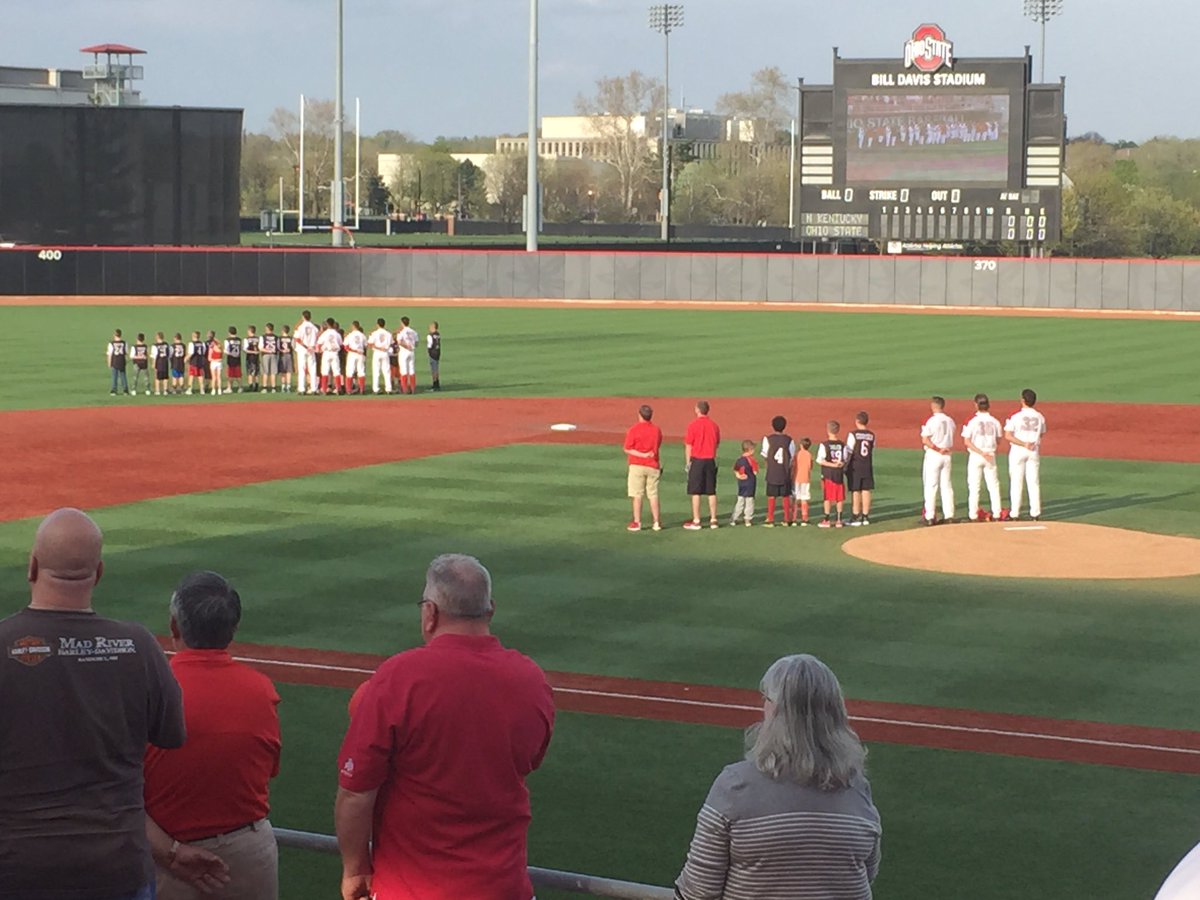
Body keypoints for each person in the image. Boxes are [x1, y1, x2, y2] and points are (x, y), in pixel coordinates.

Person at [0, 508, 227, 899]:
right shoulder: (138, 645)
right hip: (118, 866)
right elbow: (172, 733)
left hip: (19, 869)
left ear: (32, 566)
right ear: (99, 572)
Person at [335, 554, 555, 900]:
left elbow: (356, 793)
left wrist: (355, 869)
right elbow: (529, 761)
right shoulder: (532, 680)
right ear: (490, 610)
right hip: (505, 887)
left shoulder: (398, 678)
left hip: (411, 891)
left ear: (430, 613)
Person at [675, 654, 881, 900]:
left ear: (776, 711)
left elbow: (697, 892)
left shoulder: (735, 786)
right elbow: (867, 872)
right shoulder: (857, 789)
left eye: (767, 699)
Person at [144, 571, 282, 900]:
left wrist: (171, 852)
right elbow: (267, 769)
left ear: (174, 626)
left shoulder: (147, 688)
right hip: (246, 855)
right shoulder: (261, 690)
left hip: (163, 855)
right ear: (233, 628)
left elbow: (118, 789)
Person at [1004, 388, 1047, 521]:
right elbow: (1042, 433)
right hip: (1033, 450)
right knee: (1033, 482)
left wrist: (1023, 443)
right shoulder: (1040, 416)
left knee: (1016, 482)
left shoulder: (1016, 416)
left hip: (1018, 450)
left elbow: (1008, 435)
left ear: (1023, 400)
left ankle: (1015, 513)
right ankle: (1035, 513)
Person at [962, 393, 1004, 522]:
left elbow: (967, 441)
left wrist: (980, 452)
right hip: (990, 455)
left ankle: (973, 515)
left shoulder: (971, 421)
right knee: (993, 486)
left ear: (976, 405)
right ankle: (997, 513)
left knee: (974, 487)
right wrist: (988, 450)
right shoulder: (995, 421)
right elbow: (998, 439)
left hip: (976, 455)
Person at [623, 404, 663, 532]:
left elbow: (627, 448)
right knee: (653, 494)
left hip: (637, 465)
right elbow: (658, 445)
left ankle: (637, 522)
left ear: (640, 415)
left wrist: (642, 455)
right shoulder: (656, 430)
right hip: (653, 465)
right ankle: (656, 522)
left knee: (637, 494)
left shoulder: (634, 429)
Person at [684, 400, 721, 530]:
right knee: (711, 491)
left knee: (696, 492)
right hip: (710, 460)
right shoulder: (714, 426)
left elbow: (689, 445)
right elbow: (717, 443)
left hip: (697, 460)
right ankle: (713, 520)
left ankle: (696, 520)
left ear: (698, 410)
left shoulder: (693, 425)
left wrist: (688, 463)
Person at [920, 396, 956, 525]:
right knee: (946, 486)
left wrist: (937, 448)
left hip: (934, 455)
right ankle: (949, 515)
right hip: (947, 455)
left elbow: (925, 440)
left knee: (931, 486)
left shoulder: (931, 421)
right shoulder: (950, 421)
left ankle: (930, 516)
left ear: (933, 406)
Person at [760, 415, 795, 527]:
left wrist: (769, 466)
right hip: (785, 472)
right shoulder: (789, 440)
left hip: (772, 472)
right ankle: (787, 519)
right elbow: (792, 457)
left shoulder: (768, 439)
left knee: (771, 496)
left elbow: (765, 456)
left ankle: (770, 519)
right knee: (785, 496)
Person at [845, 411, 876, 526]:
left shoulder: (853, 434)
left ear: (857, 421)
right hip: (867, 465)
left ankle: (855, 515)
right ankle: (866, 516)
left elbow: (849, 451)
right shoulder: (872, 435)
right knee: (866, 490)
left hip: (855, 466)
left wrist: (845, 465)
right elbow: (872, 448)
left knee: (856, 490)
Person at [817, 421, 848, 528]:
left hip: (828, 474)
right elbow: (844, 459)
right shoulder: (842, 445)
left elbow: (820, 460)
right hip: (839, 474)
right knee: (839, 497)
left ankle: (827, 519)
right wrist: (839, 464)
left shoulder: (824, 445)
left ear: (828, 430)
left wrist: (831, 465)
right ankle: (839, 520)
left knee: (827, 497)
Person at [730, 440, 759, 527]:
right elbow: (755, 472)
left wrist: (738, 475)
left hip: (742, 484)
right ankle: (747, 519)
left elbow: (735, 469)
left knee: (740, 501)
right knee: (749, 501)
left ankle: (734, 518)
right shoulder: (752, 460)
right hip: (750, 484)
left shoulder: (739, 460)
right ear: (750, 450)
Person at [293, 311, 320, 395]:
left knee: (302, 369)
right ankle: (314, 388)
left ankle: (301, 389)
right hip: (311, 350)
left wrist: (305, 346)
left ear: (303, 317)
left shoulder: (300, 327)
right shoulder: (314, 327)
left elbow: (297, 339)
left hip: (302, 349)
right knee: (313, 369)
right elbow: (318, 337)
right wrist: (312, 346)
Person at [316, 317, 344, 396]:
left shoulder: (325, 333)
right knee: (336, 371)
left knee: (324, 371)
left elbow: (319, 343)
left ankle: (324, 390)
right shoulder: (337, 334)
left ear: (327, 324)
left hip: (326, 353)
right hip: (335, 353)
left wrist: (319, 350)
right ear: (333, 324)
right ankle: (338, 389)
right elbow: (341, 344)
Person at [790, 437, 814, 526]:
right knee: (804, 498)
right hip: (806, 479)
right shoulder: (809, 455)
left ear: (801, 445)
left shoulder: (797, 455)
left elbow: (793, 466)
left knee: (795, 498)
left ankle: (794, 519)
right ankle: (804, 518)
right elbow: (810, 467)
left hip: (796, 478)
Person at [367, 317, 394, 394]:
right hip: (385, 352)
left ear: (377, 324)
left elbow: (369, 344)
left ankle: (376, 389)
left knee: (376, 371)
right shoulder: (388, 334)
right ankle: (388, 389)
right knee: (387, 371)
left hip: (377, 353)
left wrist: (377, 347)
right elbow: (392, 343)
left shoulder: (374, 333)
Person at [395, 316, 419, 394]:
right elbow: (417, 343)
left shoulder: (401, 332)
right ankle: (413, 388)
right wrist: (412, 346)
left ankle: (404, 389)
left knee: (403, 370)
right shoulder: (413, 332)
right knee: (412, 370)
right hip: (412, 352)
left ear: (402, 323)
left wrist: (406, 346)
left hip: (404, 352)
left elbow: (399, 342)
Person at [343, 321, 368, 395]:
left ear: (353, 326)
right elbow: (365, 345)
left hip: (352, 354)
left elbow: (346, 347)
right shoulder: (362, 335)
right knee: (361, 371)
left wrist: (353, 350)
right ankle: (362, 389)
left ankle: (349, 390)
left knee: (349, 371)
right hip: (360, 354)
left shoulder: (350, 335)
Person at [107, 328, 130, 395]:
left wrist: (109, 362)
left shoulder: (111, 343)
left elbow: (110, 354)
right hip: (122, 360)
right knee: (123, 376)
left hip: (115, 361)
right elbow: (126, 353)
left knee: (114, 376)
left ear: (115, 335)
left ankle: (114, 389)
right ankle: (125, 390)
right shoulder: (124, 343)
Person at [260, 323, 279, 393]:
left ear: (267, 328)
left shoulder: (263, 337)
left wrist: (267, 350)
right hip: (274, 354)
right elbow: (278, 347)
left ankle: (265, 387)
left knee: (265, 371)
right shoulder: (276, 337)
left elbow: (260, 348)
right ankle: (273, 388)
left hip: (266, 355)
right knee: (273, 372)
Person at [186, 330, 207, 396]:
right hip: (201, 361)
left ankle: (189, 389)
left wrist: (186, 358)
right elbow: (204, 352)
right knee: (200, 375)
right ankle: (202, 390)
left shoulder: (191, 344)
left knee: (191, 375)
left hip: (194, 361)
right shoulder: (202, 343)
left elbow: (191, 353)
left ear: (193, 336)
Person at [223, 326, 243, 394]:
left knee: (230, 374)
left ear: (229, 332)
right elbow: (240, 348)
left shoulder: (227, 340)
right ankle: (240, 387)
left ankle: (229, 388)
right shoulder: (239, 340)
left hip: (231, 359)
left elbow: (226, 350)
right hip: (238, 359)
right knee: (238, 375)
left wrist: (230, 353)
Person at [151, 331, 171, 396]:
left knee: (157, 377)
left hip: (158, 362)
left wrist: (153, 363)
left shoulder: (155, 346)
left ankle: (157, 390)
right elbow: (169, 354)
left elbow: (154, 356)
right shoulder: (166, 344)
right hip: (165, 362)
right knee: (165, 377)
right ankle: (165, 390)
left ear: (157, 337)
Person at [206, 330, 225, 397]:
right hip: (218, 362)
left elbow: (209, 357)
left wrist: (211, 359)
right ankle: (218, 390)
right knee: (218, 377)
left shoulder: (213, 346)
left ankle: (214, 390)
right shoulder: (219, 349)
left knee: (214, 377)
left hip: (214, 362)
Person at [244, 325, 261, 393]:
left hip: (250, 357)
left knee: (250, 372)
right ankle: (256, 385)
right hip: (257, 357)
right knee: (256, 372)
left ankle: (251, 386)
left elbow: (245, 349)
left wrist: (252, 352)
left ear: (249, 331)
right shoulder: (258, 338)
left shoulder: (247, 339)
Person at [278, 325, 295, 393]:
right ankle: (288, 386)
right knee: (288, 371)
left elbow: (278, 347)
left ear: (282, 331)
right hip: (289, 355)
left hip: (282, 355)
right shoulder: (291, 338)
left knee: (283, 372)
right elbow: (293, 347)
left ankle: (283, 387)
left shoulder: (280, 338)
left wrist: (282, 350)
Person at [427, 321, 442, 391]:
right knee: (436, 369)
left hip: (432, 353)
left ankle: (435, 385)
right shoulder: (438, 334)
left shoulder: (430, 335)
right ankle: (437, 384)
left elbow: (429, 346)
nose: (429, 328)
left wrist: (429, 352)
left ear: (433, 327)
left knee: (434, 370)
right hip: (438, 353)